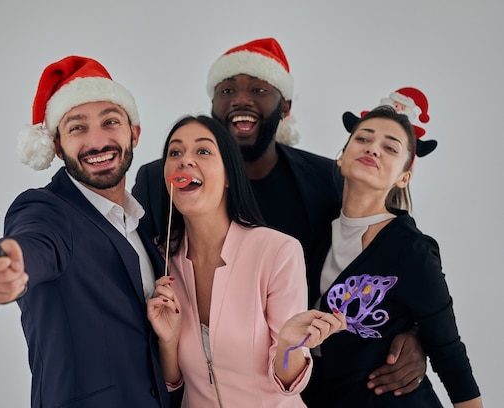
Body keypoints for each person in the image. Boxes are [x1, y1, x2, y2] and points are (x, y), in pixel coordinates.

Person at [132, 37, 427, 398]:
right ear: (213, 107)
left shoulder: (324, 180)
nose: (241, 99)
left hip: (319, 376)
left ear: (284, 106)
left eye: (258, 88)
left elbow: (390, 242)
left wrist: (415, 329)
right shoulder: (159, 182)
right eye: (227, 90)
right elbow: (135, 273)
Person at [0, 56, 170, 408]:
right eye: (77, 127)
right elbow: (34, 244)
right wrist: (11, 263)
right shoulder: (46, 209)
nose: (97, 141)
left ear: (134, 133)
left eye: (110, 122)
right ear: (57, 145)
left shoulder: (141, 221)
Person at [145, 114, 346, 407]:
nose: (185, 160)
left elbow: (287, 385)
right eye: (175, 152)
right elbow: (173, 382)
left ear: (229, 175)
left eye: (203, 151)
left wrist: (289, 345)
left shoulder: (277, 251)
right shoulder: (161, 258)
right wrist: (168, 341)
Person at [301, 105, 482, 407]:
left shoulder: (410, 249)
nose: (373, 148)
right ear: (341, 157)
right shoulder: (315, 227)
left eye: (390, 147)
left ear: (403, 177)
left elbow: (448, 352)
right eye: (363, 139)